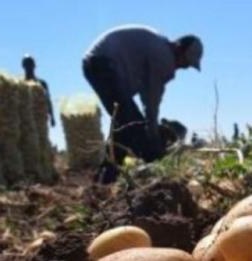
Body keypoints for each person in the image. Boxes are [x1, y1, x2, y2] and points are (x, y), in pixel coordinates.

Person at [83, 25, 202, 182]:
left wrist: (149, 132)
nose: (183, 68)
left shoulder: (160, 47)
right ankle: (109, 179)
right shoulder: (164, 56)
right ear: (179, 49)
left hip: (98, 61)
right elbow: (151, 103)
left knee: (126, 124)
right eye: (185, 63)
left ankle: (104, 179)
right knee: (132, 124)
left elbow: (147, 98)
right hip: (103, 63)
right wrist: (154, 143)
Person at [22, 55, 55, 127]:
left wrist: (52, 117)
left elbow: (48, 100)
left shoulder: (42, 83)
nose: (29, 67)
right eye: (27, 65)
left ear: (34, 66)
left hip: (40, 117)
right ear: (23, 66)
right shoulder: (20, 84)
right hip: (25, 119)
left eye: (30, 64)